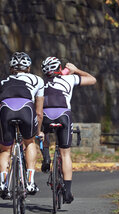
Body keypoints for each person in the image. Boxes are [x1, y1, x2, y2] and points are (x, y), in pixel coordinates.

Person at [40, 57, 96, 203]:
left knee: (42, 132)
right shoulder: (69, 79)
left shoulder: (40, 82)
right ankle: (68, 192)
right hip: (64, 115)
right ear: (59, 68)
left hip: (45, 115)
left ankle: (45, 157)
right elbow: (92, 79)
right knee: (65, 154)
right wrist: (75, 70)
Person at [0, 52, 44, 198]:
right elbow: (39, 112)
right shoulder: (38, 80)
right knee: (29, 143)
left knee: (5, 150)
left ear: (11, 68)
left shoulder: (1, 84)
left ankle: (4, 184)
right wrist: (38, 131)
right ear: (28, 67)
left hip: (5, 111)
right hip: (26, 110)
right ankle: (30, 182)